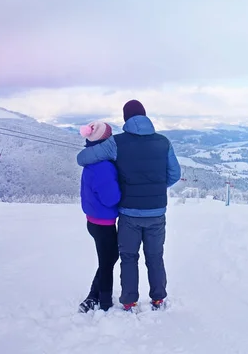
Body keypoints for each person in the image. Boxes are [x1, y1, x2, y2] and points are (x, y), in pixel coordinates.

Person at [76, 99, 181, 312]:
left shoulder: (117, 143)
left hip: (129, 214)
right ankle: (158, 299)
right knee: (155, 256)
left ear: (125, 119)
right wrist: (156, 188)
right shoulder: (163, 142)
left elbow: (83, 158)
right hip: (156, 211)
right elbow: (174, 174)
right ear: (145, 115)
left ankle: (129, 301)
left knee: (128, 257)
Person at [77, 121, 121, 313]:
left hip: (94, 220)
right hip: (104, 224)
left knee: (108, 258)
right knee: (107, 261)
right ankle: (103, 301)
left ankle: (95, 296)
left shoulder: (91, 162)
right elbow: (111, 198)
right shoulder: (103, 166)